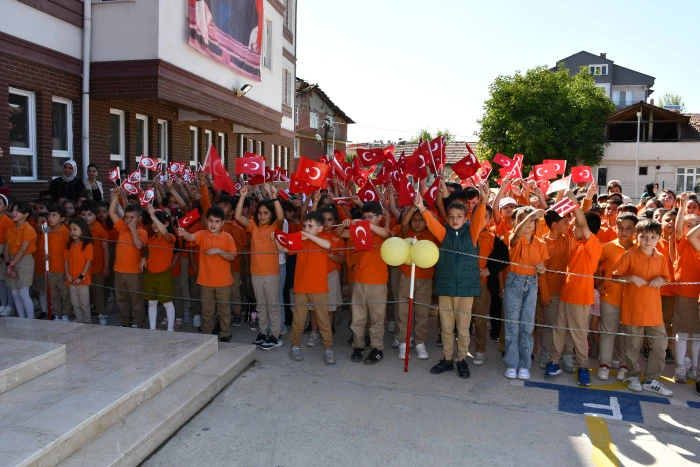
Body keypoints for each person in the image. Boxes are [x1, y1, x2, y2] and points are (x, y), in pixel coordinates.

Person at [417, 182, 489, 379]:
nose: (455, 220)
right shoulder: (444, 233)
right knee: (447, 327)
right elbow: (432, 223)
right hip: (446, 287)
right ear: (447, 219)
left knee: (463, 329)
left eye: (459, 216)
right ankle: (447, 359)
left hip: (466, 289)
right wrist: (422, 208)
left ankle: (462, 359)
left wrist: (483, 202)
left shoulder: (472, 233)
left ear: (466, 218)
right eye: (451, 217)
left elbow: (478, 219)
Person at [545, 189, 603, 386]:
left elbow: (583, 224)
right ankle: (554, 362)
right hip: (566, 295)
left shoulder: (594, 245)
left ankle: (583, 367)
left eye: (575, 225)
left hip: (580, 298)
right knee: (559, 330)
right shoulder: (577, 244)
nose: (572, 227)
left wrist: (574, 202)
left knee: (578, 334)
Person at [612, 219, 673, 396]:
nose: (648, 240)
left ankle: (651, 380)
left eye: (653, 237)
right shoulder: (629, 255)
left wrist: (661, 279)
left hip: (654, 312)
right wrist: (631, 277)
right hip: (633, 310)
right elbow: (615, 277)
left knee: (660, 345)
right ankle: (632, 376)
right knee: (632, 345)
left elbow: (666, 278)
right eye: (644, 236)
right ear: (637, 236)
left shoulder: (661, 258)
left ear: (659, 238)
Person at [334, 201, 392, 365]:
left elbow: (387, 235)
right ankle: (358, 346)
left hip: (378, 282)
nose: (366, 220)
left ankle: (377, 349)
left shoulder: (383, 233)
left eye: (370, 217)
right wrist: (345, 224)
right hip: (359, 281)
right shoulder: (359, 233)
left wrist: (365, 224)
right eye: (364, 217)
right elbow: (339, 233)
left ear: (379, 217)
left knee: (376, 319)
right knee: (358, 318)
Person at [276, 211, 335, 363]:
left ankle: (328, 348)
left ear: (320, 228)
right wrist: (275, 238)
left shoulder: (324, 238)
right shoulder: (300, 241)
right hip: (301, 287)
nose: (306, 229)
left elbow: (328, 245)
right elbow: (283, 249)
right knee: (299, 319)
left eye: (310, 226)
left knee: (323, 320)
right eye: (304, 226)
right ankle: (295, 346)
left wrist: (307, 235)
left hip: (319, 288)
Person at [235, 185, 284, 349]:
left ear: (271, 214)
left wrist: (274, 198)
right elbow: (237, 216)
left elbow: (281, 217)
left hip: (271, 273)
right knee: (261, 305)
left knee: (273, 305)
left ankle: (275, 335)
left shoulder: (274, 226)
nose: (262, 216)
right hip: (256, 272)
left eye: (266, 213)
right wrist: (242, 196)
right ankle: (263, 332)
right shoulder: (253, 226)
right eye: (260, 213)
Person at [503, 206, 548, 380]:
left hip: (532, 284)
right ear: (516, 223)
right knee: (512, 325)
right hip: (514, 283)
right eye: (523, 219)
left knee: (527, 326)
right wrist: (531, 214)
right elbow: (515, 238)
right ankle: (512, 363)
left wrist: (541, 269)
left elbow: (542, 267)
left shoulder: (541, 244)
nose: (528, 223)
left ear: (536, 223)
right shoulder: (513, 238)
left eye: (532, 221)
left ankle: (524, 364)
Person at [179, 206, 237, 341]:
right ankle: (207, 334)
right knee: (207, 310)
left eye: (217, 221)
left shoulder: (227, 237)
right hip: (205, 281)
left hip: (224, 282)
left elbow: (232, 256)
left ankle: (225, 333)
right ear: (206, 221)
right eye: (211, 221)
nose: (213, 224)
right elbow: (191, 237)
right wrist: (184, 233)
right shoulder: (202, 234)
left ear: (223, 223)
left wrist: (219, 251)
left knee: (224, 310)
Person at [595, 212, 638, 381]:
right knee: (608, 331)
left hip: (632, 299)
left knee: (627, 334)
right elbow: (596, 264)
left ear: (635, 230)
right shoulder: (608, 247)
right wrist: (598, 282)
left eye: (628, 228)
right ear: (615, 228)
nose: (623, 232)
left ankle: (624, 365)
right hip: (610, 297)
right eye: (620, 228)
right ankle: (604, 364)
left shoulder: (640, 248)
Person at [397, 201, 438, 360]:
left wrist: (423, 209)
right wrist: (414, 206)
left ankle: (420, 342)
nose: (417, 223)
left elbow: (435, 223)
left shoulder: (431, 235)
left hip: (425, 279)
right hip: (406, 278)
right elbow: (404, 223)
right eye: (414, 220)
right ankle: (404, 341)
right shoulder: (406, 232)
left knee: (422, 312)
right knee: (404, 311)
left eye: (421, 220)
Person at [109, 187, 147, 328]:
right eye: (127, 217)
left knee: (136, 299)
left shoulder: (142, 232)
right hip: (119, 270)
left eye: (132, 218)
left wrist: (132, 229)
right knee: (121, 298)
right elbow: (112, 213)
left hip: (133, 271)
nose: (129, 220)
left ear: (139, 219)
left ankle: (138, 322)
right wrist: (115, 196)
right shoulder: (122, 227)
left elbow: (139, 245)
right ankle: (125, 321)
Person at [672, 193, 700, 383]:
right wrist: (682, 207)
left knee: (697, 336)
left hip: (699, 294)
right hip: (684, 292)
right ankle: (680, 367)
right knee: (682, 332)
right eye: (689, 225)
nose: (693, 228)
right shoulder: (682, 242)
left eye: (697, 224)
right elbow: (678, 229)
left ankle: (695, 367)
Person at [142, 204, 177, 332]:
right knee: (151, 303)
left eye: (157, 222)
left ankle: (170, 330)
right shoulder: (151, 239)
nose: (154, 224)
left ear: (166, 224)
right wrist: (144, 258)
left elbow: (165, 233)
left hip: (163, 275)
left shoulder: (170, 237)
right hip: (150, 274)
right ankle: (152, 330)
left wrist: (153, 216)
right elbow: (149, 253)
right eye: (152, 222)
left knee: (167, 303)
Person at [4, 201, 38, 319]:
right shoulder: (10, 228)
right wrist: (9, 264)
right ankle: (21, 319)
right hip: (11, 259)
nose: (14, 213)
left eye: (18, 211)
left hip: (25, 261)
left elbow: (23, 251)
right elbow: (6, 250)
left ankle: (30, 320)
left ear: (26, 214)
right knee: (14, 293)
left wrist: (10, 266)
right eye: (13, 210)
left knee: (23, 293)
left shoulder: (29, 230)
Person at [79, 202, 110, 325]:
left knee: (98, 292)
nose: (86, 217)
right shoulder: (77, 230)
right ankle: (88, 312)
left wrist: (106, 266)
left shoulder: (99, 229)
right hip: (82, 268)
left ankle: (101, 313)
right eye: (83, 215)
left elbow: (106, 249)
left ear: (95, 216)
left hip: (98, 267)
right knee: (85, 292)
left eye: (89, 215)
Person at [44, 204, 71, 321]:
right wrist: (44, 256)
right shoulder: (47, 231)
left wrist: (68, 271)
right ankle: (57, 314)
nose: (50, 218)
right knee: (53, 295)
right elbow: (43, 248)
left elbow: (69, 253)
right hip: (51, 270)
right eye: (49, 215)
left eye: (54, 215)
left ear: (62, 218)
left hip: (62, 270)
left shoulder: (66, 232)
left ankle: (66, 314)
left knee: (65, 294)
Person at [64, 217, 93, 324]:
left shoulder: (87, 245)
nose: (72, 232)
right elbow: (66, 260)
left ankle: (87, 322)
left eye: (75, 229)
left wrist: (81, 277)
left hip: (83, 280)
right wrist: (68, 274)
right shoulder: (70, 245)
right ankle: (80, 321)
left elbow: (88, 262)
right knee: (75, 303)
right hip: (71, 280)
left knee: (84, 304)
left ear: (83, 230)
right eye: (70, 229)